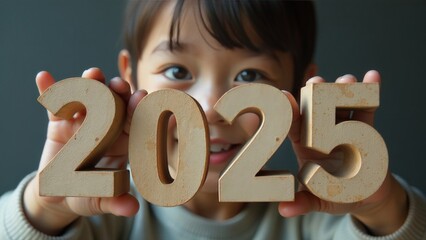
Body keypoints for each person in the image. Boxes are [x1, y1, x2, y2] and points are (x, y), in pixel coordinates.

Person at [1, 0, 425, 239]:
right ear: (129, 76)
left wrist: (384, 209)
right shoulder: (98, 213)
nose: (209, 107)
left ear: (300, 89)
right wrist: (43, 210)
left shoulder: (321, 216)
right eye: (178, 72)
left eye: (250, 76)